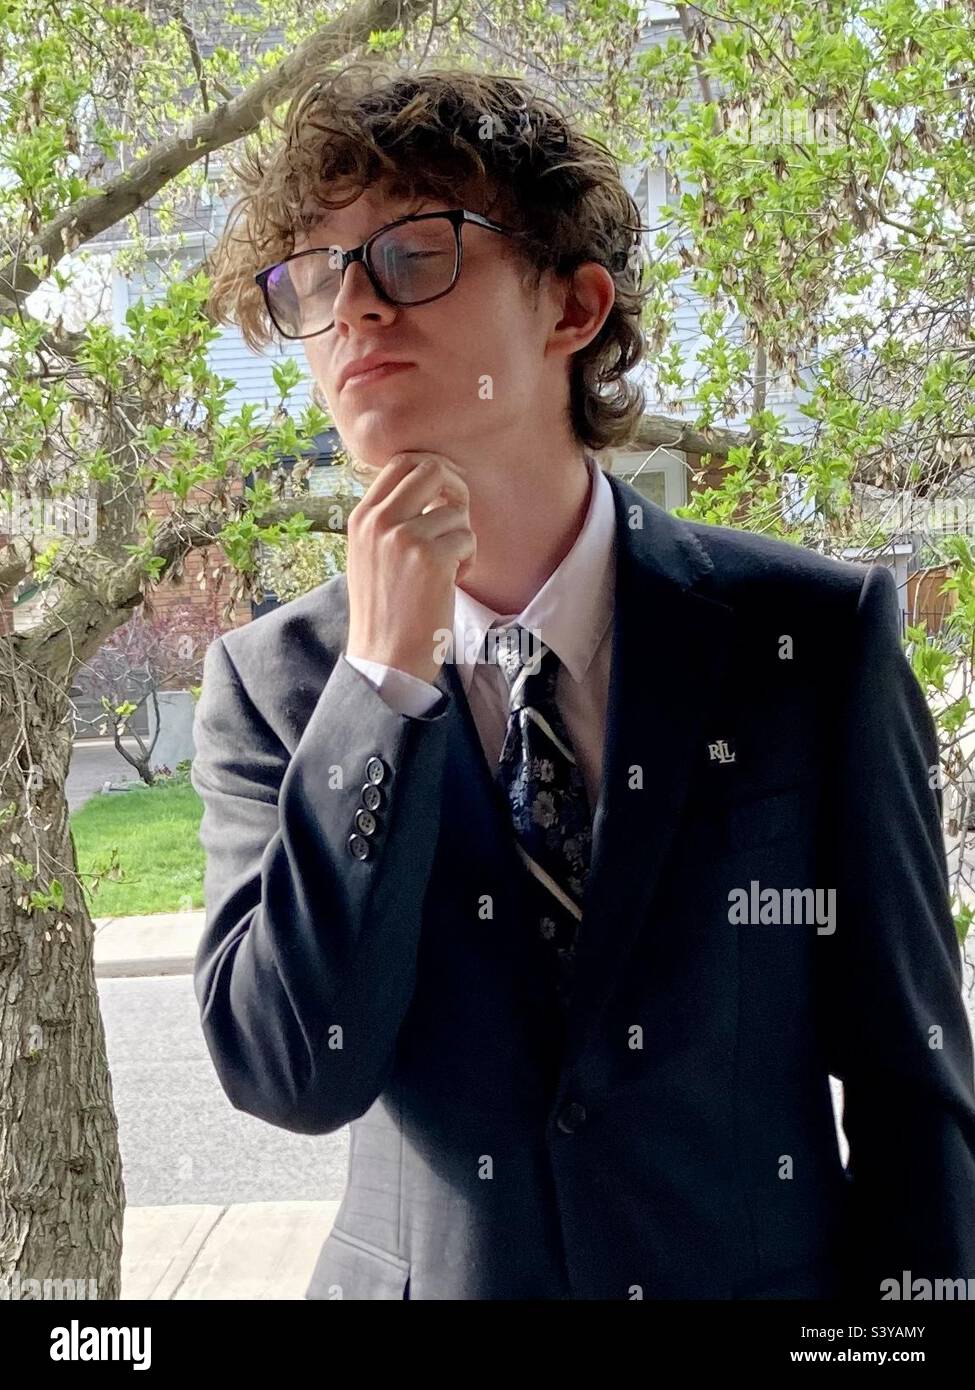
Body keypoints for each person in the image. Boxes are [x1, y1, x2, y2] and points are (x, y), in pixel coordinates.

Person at [193, 64, 975, 1300]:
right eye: (318, 275)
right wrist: (384, 684)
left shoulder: (812, 641)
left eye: (411, 253)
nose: (356, 309)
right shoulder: (275, 686)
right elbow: (295, 1076)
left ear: (573, 307)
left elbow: (912, 1091)